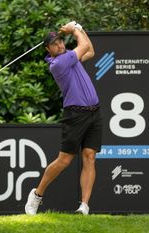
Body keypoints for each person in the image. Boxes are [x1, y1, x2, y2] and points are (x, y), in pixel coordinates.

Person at [25, 21, 102, 215]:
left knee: (90, 157)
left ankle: (84, 206)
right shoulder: (59, 63)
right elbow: (83, 46)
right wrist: (75, 29)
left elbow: (90, 50)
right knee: (64, 160)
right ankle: (37, 194)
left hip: (94, 112)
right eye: (55, 44)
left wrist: (80, 29)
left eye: (61, 41)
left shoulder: (69, 57)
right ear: (47, 49)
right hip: (75, 114)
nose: (60, 45)